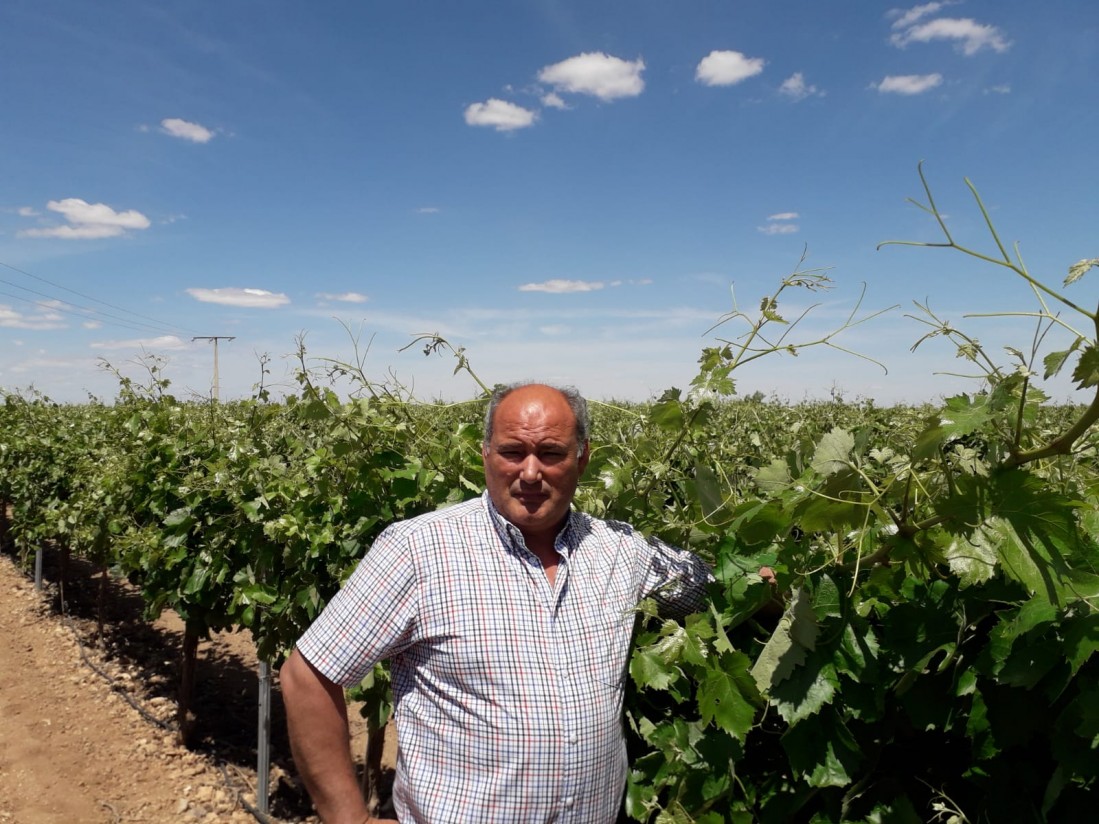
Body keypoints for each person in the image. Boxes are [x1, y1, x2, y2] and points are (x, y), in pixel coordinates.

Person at [280, 382, 733, 823]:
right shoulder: (418, 549)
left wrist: (787, 579)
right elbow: (308, 675)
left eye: (551, 453)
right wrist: (349, 817)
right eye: (513, 452)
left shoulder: (621, 550)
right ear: (486, 455)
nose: (530, 472)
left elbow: (716, 587)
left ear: (583, 458)